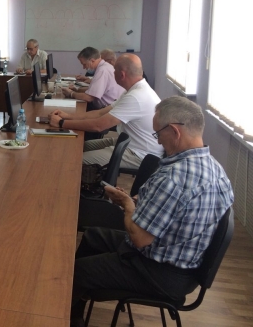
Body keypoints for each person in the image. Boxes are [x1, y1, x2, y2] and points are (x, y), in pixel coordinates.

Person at [70, 96, 234, 327]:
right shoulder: (216, 169)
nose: (157, 140)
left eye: (158, 134)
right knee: (93, 236)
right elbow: (176, 209)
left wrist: (127, 205)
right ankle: (75, 312)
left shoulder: (174, 178)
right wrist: (138, 200)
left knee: (75, 273)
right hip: (181, 261)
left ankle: (63, 313)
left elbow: (140, 238)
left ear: (175, 131)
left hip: (161, 272)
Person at [49, 54, 164, 170]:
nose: (113, 73)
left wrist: (61, 123)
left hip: (139, 154)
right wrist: (68, 116)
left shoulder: (136, 96)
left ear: (122, 74)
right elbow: (100, 113)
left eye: (114, 71)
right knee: (80, 145)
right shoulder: (134, 90)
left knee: (74, 159)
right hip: (131, 143)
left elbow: (98, 126)